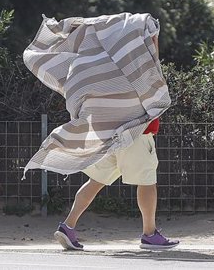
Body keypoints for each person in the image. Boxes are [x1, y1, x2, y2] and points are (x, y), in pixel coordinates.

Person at [53, 34, 179, 251]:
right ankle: (149, 234)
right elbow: (153, 69)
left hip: (111, 136)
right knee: (147, 181)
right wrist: (154, 40)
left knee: (95, 181)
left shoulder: (109, 71)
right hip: (138, 135)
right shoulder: (139, 70)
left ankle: (68, 226)